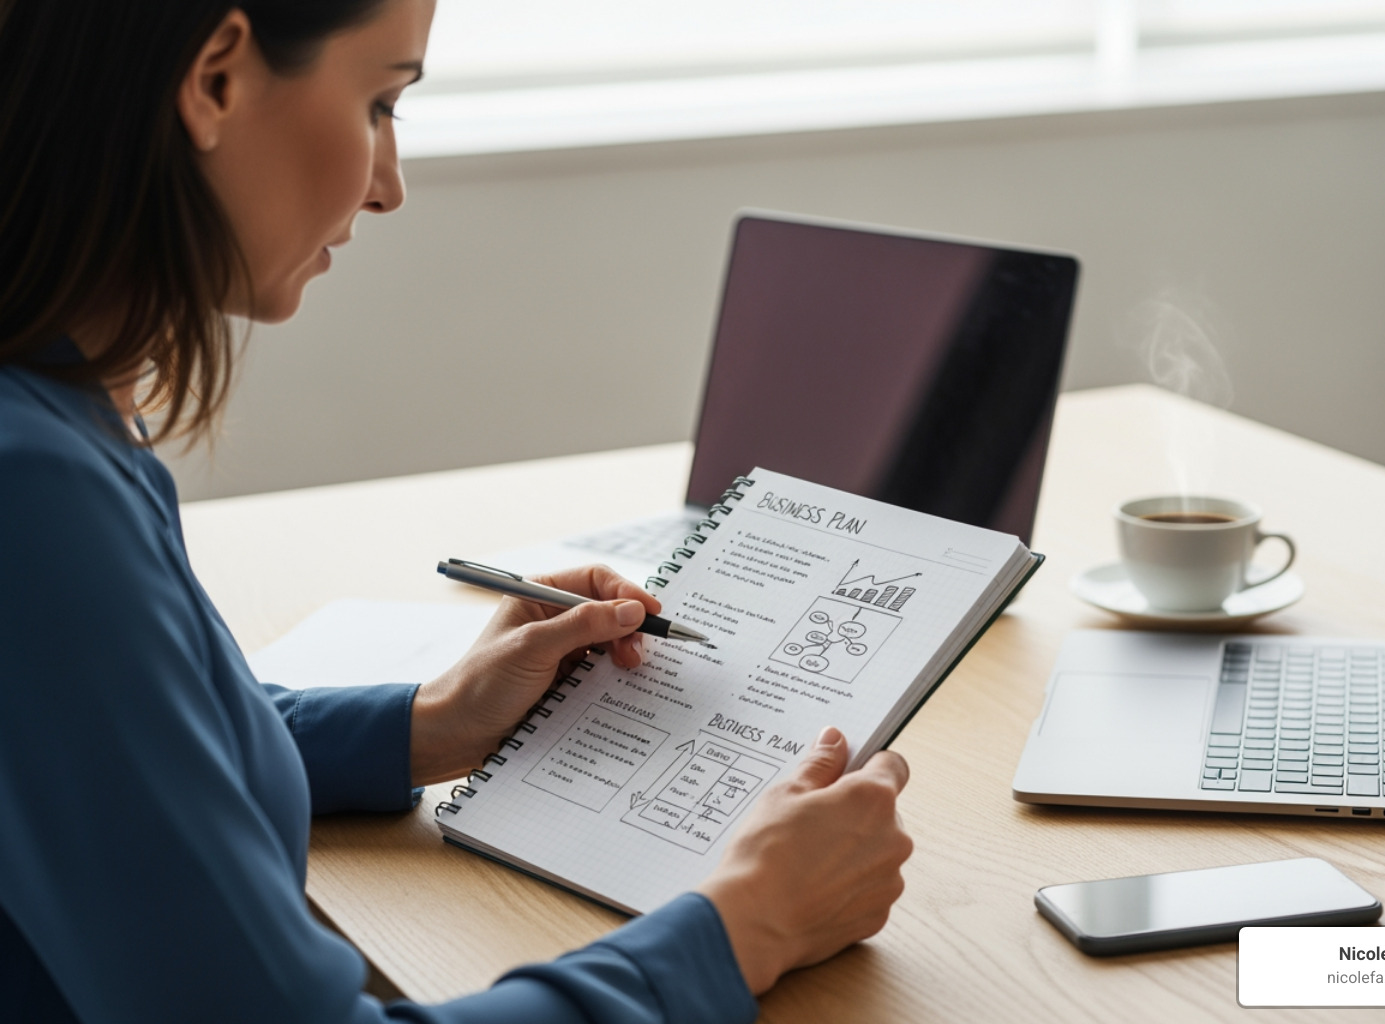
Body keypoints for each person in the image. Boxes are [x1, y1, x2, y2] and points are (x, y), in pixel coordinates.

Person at [0, 2, 914, 1021]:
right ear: (215, 80)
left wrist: (425, 727)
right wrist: (746, 926)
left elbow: (113, 757)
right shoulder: (34, 498)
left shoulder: (56, 417)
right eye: (380, 102)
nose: (389, 185)